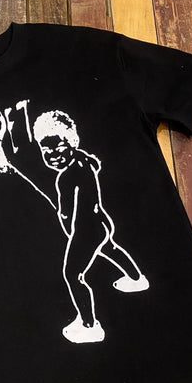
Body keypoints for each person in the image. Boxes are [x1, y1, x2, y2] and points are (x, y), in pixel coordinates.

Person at [33, 110, 149, 344]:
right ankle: (137, 279)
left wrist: (69, 229)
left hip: (86, 231)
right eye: (46, 151)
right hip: (101, 224)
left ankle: (89, 325)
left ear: (72, 142)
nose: (53, 155)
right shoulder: (84, 160)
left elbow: (66, 211)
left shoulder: (65, 177)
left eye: (59, 148)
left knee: (72, 274)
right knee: (110, 248)